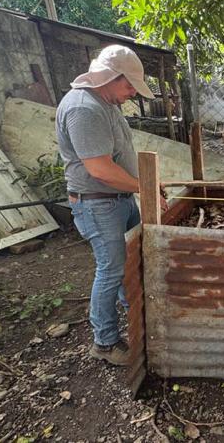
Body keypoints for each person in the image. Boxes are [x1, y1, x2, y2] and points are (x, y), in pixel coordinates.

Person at [56, 44, 161, 366]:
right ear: (110, 78)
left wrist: (140, 187)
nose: (132, 93)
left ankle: (136, 318)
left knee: (130, 263)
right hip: (98, 204)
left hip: (119, 199)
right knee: (111, 270)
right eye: (129, 86)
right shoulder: (84, 109)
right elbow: (99, 169)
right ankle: (104, 342)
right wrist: (145, 188)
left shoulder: (106, 102)